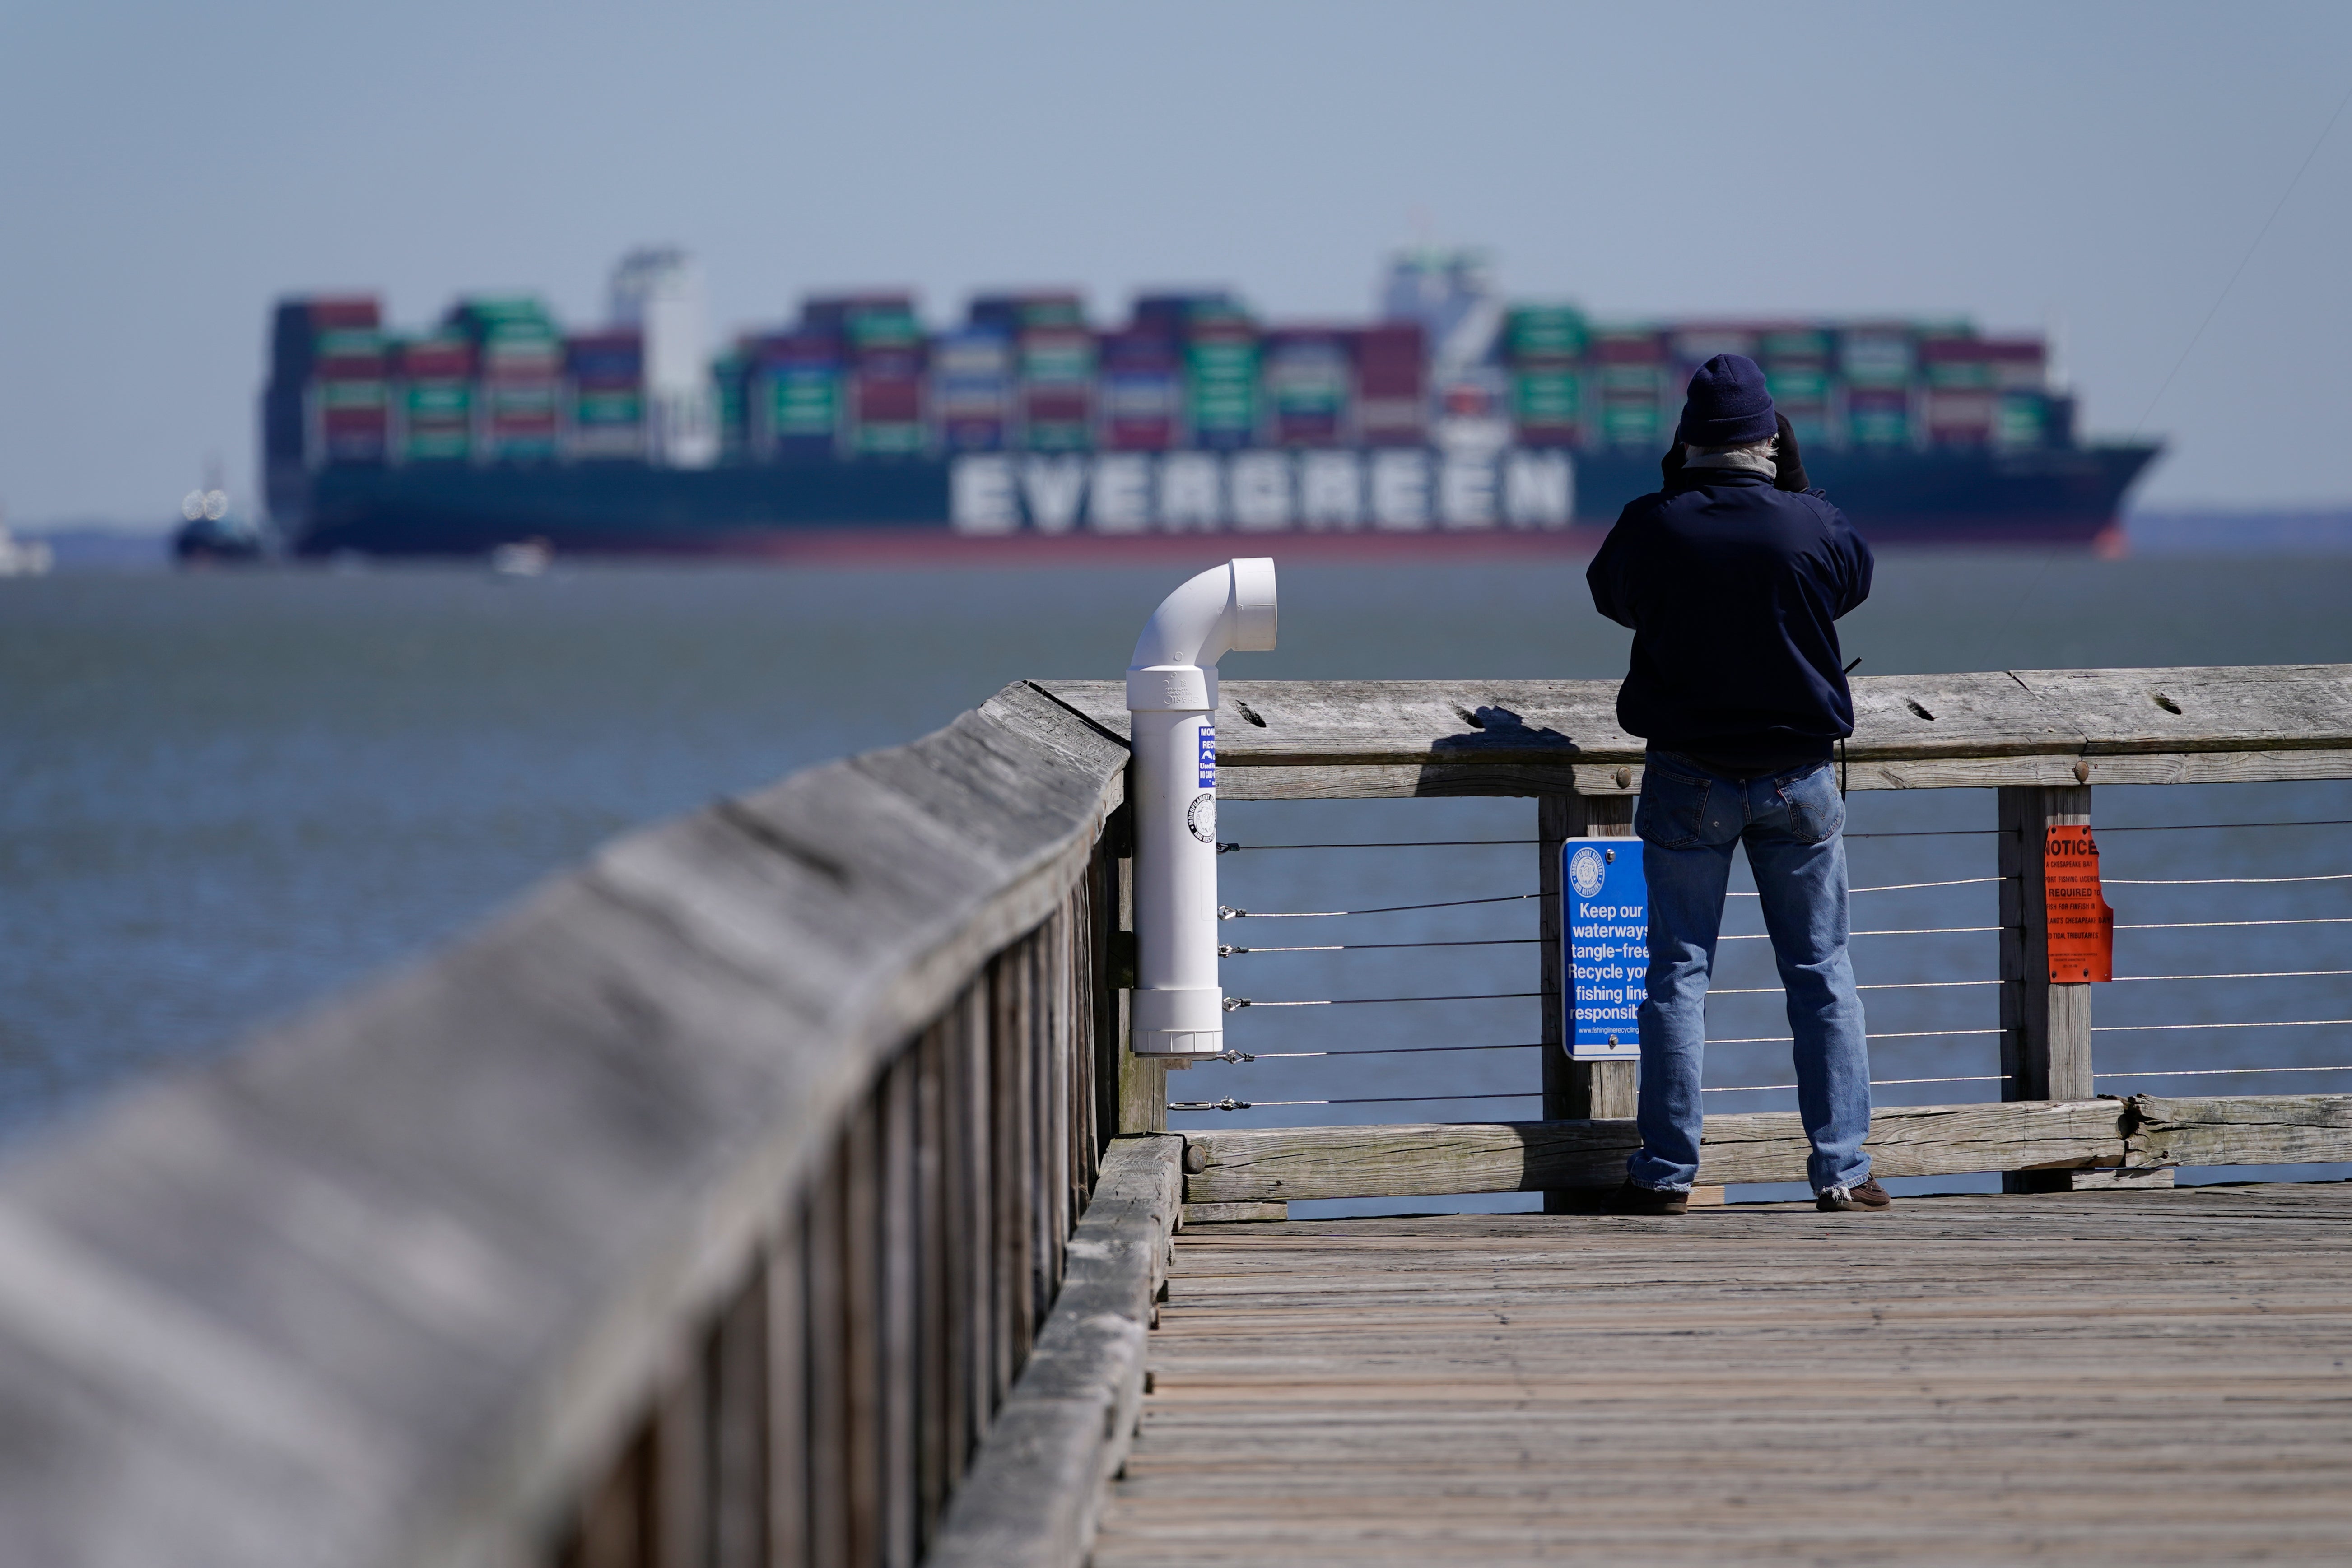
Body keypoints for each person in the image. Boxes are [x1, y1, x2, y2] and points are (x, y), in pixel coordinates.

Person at [1585, 353, 1886, 1216]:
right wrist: (1795, 483)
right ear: (1770, 438)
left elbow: (1614, 596)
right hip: (1797, 778)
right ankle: (1842, 1169)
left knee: (1675, 977)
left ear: (1687, 440)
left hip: (1686, 777)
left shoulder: (1653, 523)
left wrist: (1670, 489)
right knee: (1821, 973)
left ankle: (1665, 1174)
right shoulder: (1811, 523)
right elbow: (1852, 581)